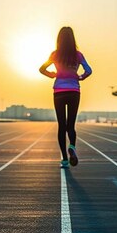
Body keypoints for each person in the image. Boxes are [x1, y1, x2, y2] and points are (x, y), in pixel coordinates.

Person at [39, 26, 92, 168]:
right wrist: (80, 77)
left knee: (61, 126)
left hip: (59, 92)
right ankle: (72, 147)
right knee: (71, 126)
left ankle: (64, 159)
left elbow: (41, 69)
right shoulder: (78, 55)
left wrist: (52, 74)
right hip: (74, 91)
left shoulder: (55, 55)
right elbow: (89, 70)